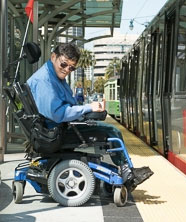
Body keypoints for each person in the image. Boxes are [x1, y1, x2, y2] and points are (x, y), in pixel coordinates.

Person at [27, 43, 153, 188]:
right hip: (55, 133)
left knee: (104, 127)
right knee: (112, 132)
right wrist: (88, 108)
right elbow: (58, 114)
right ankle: (126, 171)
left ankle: (126, 169)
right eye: (64, 64)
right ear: (53, 57)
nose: (67, 69)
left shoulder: (54, 76)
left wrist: (88, 111)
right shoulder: (45, 80)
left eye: (71, 67)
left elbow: (69, 105)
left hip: (56, 129)